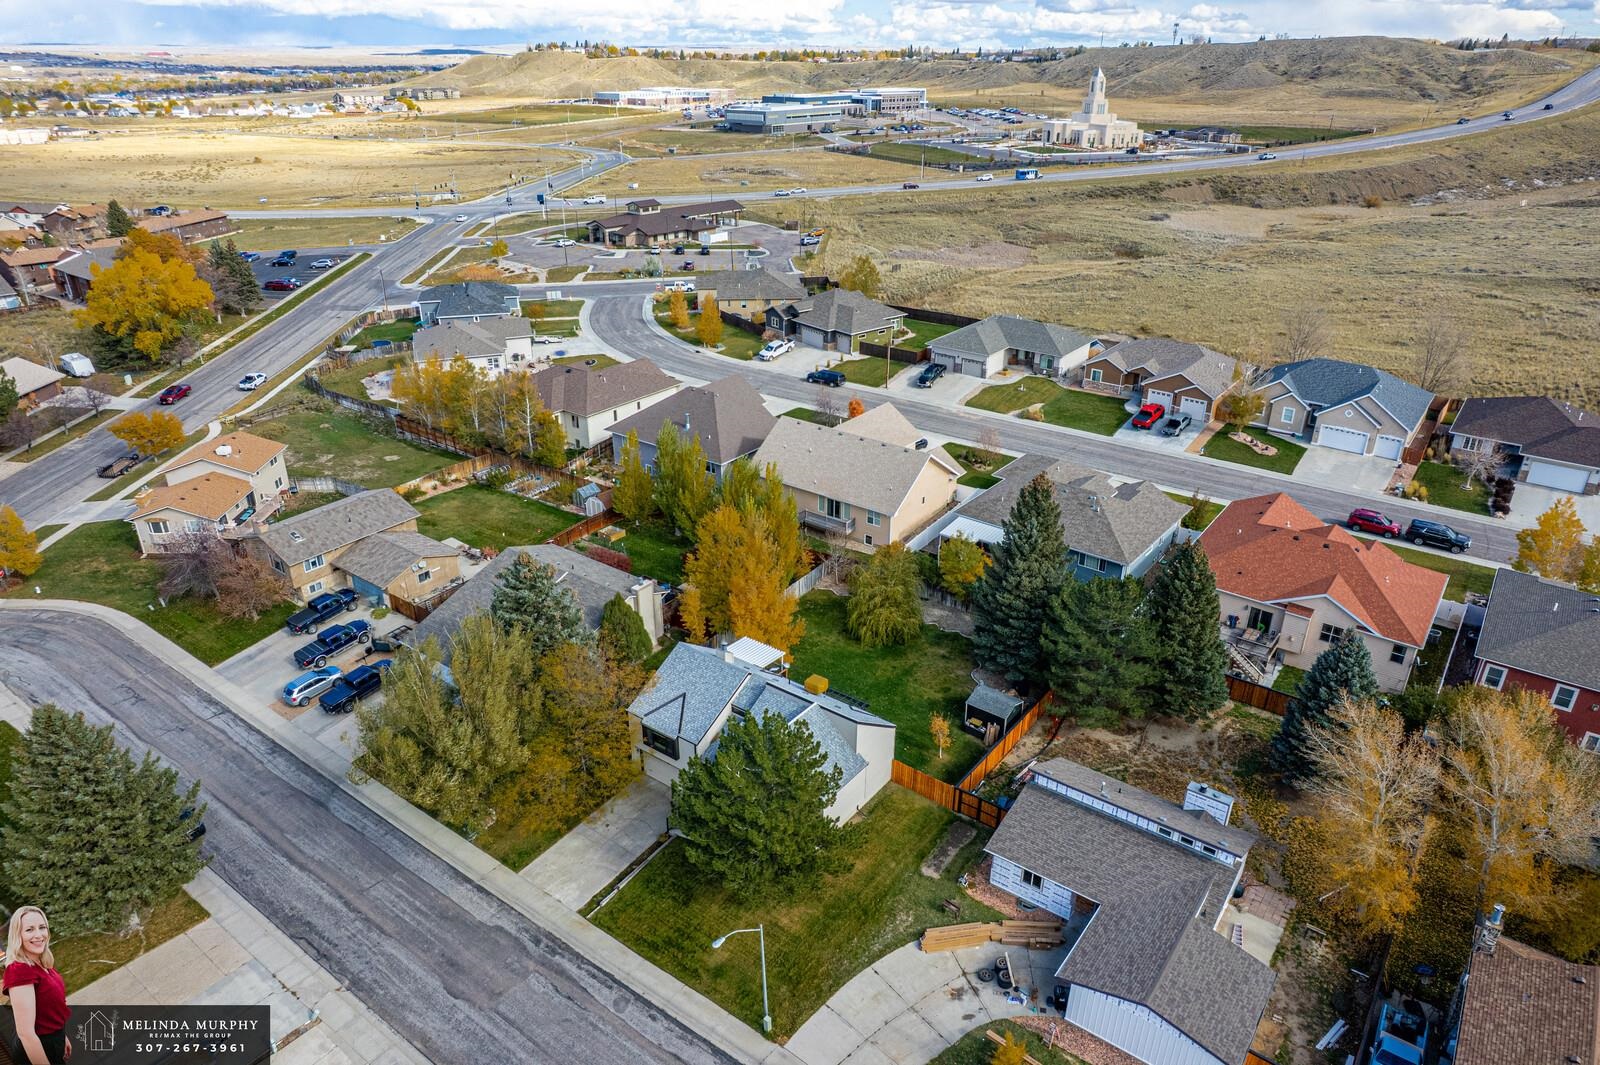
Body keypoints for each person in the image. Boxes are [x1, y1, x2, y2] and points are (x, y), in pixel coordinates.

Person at [4, 906, 71, 1064]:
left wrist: (62, 1036)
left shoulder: (41, 963)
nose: (38, 935)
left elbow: (48, 1011)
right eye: (29, 929)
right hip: (37, 1049)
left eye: (42, 927)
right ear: (18, 935)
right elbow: (26, 1034)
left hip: (54, 1040)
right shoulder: (19, 970)